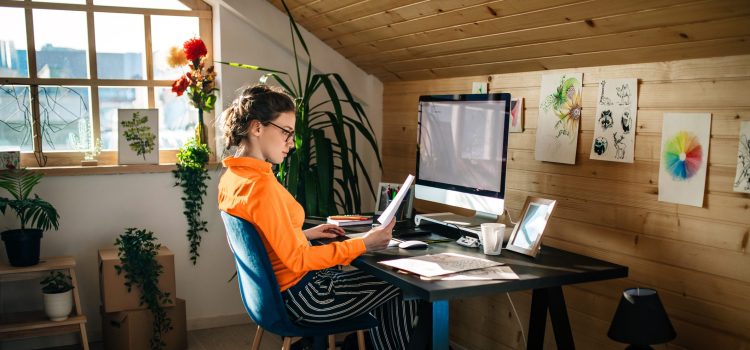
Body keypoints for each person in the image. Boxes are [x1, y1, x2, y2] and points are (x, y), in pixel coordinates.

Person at [218, 84, 419, 349]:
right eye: (286, 132)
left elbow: (261, 239)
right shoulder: (260, 186)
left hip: (278, 298)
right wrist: (364, 243)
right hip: (306, 300)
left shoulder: (234, 178)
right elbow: (298, 259)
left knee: (389, 283)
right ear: (257, 128)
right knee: (405, 285)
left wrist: (304, 234)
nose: (291, 142)